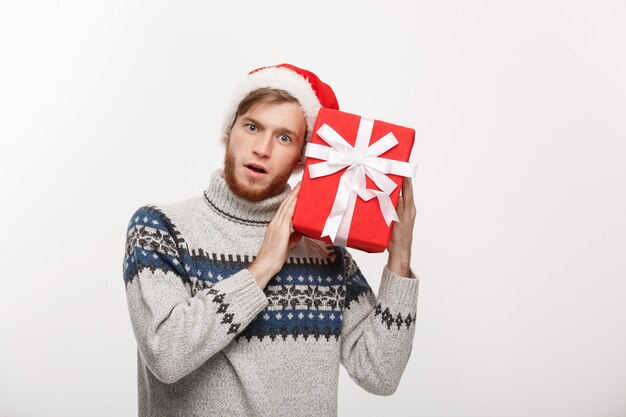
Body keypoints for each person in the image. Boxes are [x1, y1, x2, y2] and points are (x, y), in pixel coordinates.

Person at [122, 63, 419, 417]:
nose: (262, 148)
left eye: (284, 138)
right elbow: (166, 353)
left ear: (301, 158)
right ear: (228, 132)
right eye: (252, 127)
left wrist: (399, 260)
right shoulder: (159, 228)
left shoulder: (325, 253)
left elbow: (379, 374)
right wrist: (263, 267)